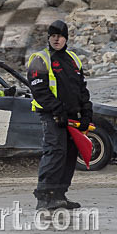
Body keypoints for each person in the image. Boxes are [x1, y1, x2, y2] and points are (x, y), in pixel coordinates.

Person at [26, 20, 92, 211]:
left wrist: (87, 112)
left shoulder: (73, 59)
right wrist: (57, 109)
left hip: (73, 118)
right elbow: (39, 90)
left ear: (66, 39)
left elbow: (82, 89)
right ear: (48, 38)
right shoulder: (40, 59)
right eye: (53, 36)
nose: (56, 39)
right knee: (55, 153)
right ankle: (44, 197)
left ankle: (60, 195)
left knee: (70, 155)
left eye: (60, 36)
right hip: (52, 116)